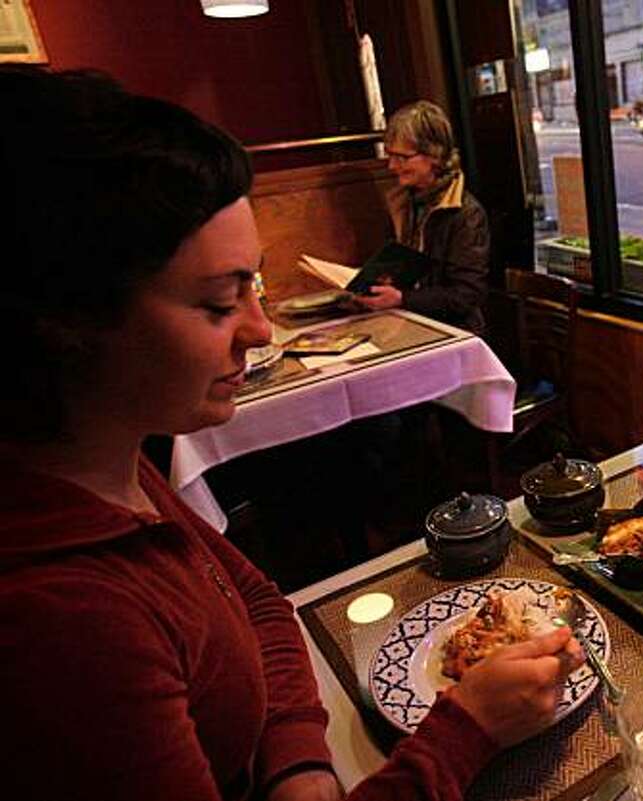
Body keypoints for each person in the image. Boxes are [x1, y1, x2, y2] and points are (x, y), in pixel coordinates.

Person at [0, 66, 581, 801]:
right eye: (219, 302)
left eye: (254, 286)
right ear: (63, 322)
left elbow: (260, 601)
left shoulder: (119, 467)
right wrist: (466, 728)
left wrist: (298, 765)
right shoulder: (59, 627)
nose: (258, 328)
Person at [354, 100, 489, 334]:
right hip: (413, 324)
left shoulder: (466, 213)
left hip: (455, 334)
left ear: (434, 156)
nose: (391, 166)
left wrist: (402, 298)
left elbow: (466, 295)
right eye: (390, 155)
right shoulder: (405, 201)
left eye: (402, 157)